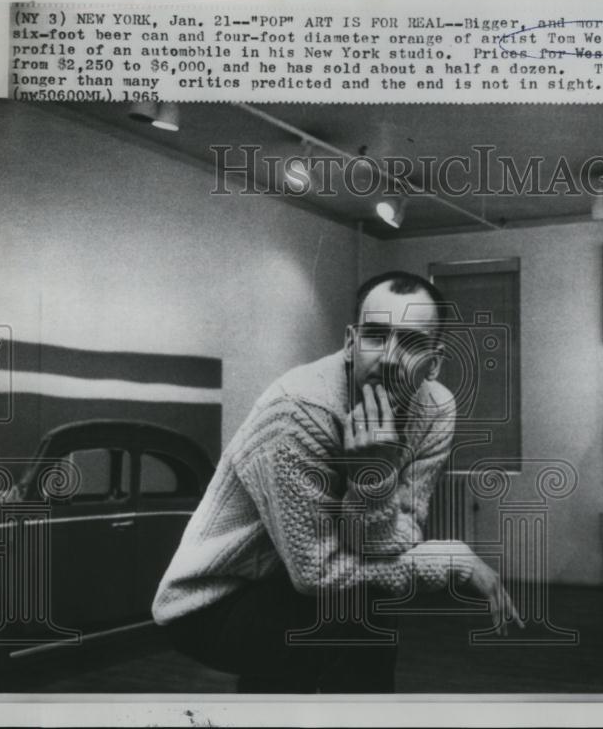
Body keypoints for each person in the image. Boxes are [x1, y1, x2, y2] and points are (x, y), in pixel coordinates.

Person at [152, 271, 522, 693]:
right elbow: (317, 574)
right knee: (355, 610)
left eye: (411, 342)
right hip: (213, 602)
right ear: (350, 342)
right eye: (375, 336)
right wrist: (450, 559)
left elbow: (400, 535)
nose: (387, 357)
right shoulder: (295, 412)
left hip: (297, 590)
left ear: (434, 363)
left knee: (365, 609)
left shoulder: (436, 410)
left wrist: (373, 479)